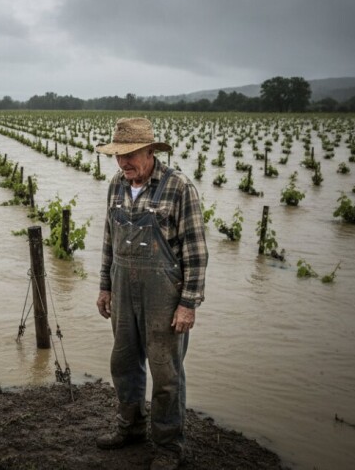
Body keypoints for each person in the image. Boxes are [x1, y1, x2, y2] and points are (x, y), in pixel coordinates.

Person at [94, 117, 208, 470]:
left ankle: (169, 446)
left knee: (166, 373)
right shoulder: (116, 185)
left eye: (130, 155)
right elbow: (109, 240)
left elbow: (196, 251)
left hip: (165, 296)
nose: (124, 163)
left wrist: (188, 304)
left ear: (150, 151)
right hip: (123, 290)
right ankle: (130, 427)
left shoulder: (179, 187)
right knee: (123, 363)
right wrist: (104, 285)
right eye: (118, 156)